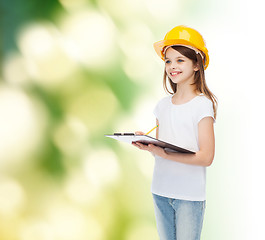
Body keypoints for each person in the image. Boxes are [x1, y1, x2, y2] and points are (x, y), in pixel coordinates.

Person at [132, 25, 217, 240]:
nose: (172, 66)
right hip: (160, 190)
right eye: (168, 61)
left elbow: (206, 157)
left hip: (188, 196)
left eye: (180, 60)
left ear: (197, 64)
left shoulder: (202, 105)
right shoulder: (162, 106)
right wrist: (148, 144)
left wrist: (165, 154)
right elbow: (163, 148)